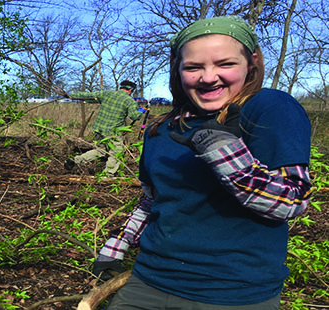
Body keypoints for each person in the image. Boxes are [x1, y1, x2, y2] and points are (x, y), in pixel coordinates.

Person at [92, 16, 313, 309]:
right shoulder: (163, 128)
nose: (208, 77)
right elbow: (152, 201)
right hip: (149, 281)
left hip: (233, 293)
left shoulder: (269, 108)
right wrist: (115, 248)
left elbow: (292, 202)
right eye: (193, 67)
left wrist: (226, 155)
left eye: (225, 64)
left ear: (252, 62)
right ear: (178, 69)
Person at [64, 80, 147, 177]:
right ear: (131, 90)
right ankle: (108, 175)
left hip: (99, 129)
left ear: (121, 87)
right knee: (117, 152)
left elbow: (88, 96)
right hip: (113, 132)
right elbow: (134, 116)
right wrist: (142, 111)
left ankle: (76, 161)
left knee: (101, 150)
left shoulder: (107, 93)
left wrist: (70, 95)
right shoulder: (129, 101)